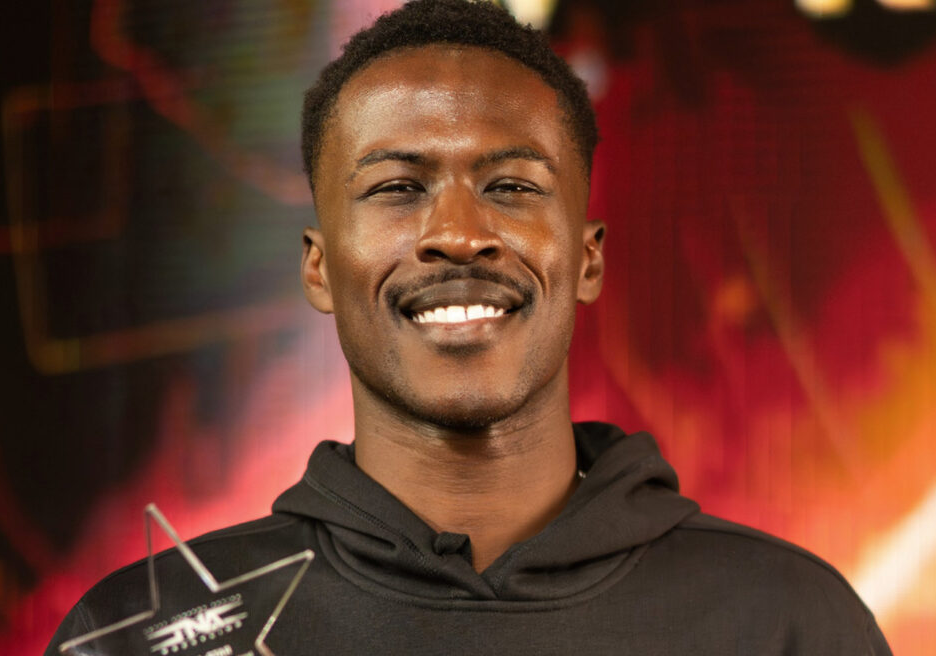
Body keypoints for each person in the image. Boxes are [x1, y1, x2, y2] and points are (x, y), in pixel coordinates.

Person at [47, 1, 892, 653]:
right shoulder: (139, 636)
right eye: (397, 188)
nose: (457, 233)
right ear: (318, 267)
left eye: (512, 187)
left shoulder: (785, 621)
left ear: (588, 258)